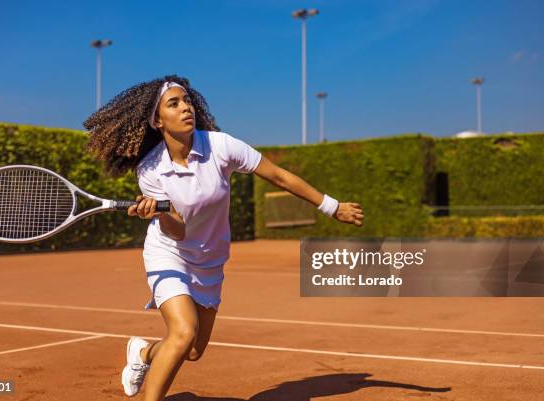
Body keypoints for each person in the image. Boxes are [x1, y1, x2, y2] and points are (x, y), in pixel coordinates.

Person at [83, 75, 364, 400]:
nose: (185, 107)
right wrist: (160, 212)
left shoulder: (221, 146)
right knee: (183, 332)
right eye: (174, 103)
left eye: (187, 100)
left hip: (210, 261)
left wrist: (332, 206)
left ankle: (143, 353)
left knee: (191, 351)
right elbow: (177, 228)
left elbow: (278, 175)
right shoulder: (150, 171)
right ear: (158, 120)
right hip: (169, 254)